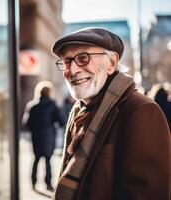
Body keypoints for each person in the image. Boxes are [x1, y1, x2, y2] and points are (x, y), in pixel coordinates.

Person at [51, 27, 171, 200]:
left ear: (112, 63)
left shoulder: (141, 111)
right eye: (67, 61)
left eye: (83, 58)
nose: (73, 69)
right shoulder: (79, 112)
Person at [25, 81, 65, 191]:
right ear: (49, 92)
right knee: (48, 160)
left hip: (36, 138)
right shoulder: (52, 105)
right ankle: (48, 184)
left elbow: (27, 124)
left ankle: (33, 183)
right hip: (49, 138)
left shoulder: (32, 106)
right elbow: (61, 121)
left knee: (36, 159)